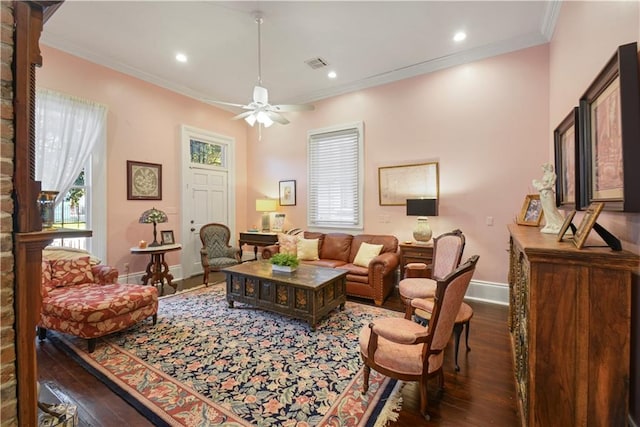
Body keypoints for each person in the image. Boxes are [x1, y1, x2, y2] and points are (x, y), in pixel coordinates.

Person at [532, 163, 566, 234]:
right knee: (546, 209)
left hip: (548, 193)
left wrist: (542, 188)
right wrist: (538, 184)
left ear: (546, 167)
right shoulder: (545, 175)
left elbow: (550, 185)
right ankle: (549, 224)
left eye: (543, 168)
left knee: (551, 209)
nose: (542, 170)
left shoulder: (553, 175)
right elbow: (543, 183)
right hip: (543, 193)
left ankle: (558, 225)